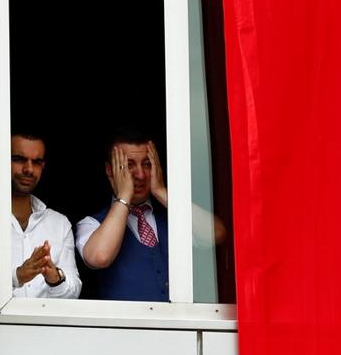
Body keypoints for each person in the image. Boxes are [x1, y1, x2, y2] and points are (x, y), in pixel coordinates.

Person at [74, 128, 228, 302]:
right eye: (129, 165)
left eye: (147, 164)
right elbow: (100, 256)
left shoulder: (173, 217)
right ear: (110, 171)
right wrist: (124, 197)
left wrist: (161, 191)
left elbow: (217, 233)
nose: (140, 175)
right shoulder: (92, 224)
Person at [9, 129, 81, 299]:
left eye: (36, 162)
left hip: (45, 326)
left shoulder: (59, 223)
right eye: (19, 159)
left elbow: (74, 292)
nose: (28, 169)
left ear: (43, 166)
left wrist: (54, 277)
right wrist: (17, 276)